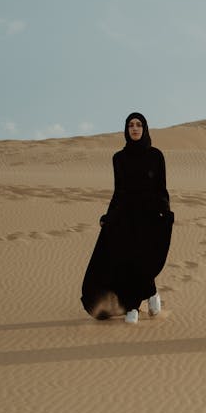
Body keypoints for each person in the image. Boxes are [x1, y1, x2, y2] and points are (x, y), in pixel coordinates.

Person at [81, 112, 173, 323]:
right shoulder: (119, 158)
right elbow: (118, 191)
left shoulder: (156, 156)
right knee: (128, 261)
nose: (135, 128)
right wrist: (109, 216)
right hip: (126, 217)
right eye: (131, 125)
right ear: (126, 129)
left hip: (150, 216)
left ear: (145, 128)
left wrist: (165, 211)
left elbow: (161, 188)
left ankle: (150, 293)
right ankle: (132, 306)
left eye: (139, 124)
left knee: (146, 260)